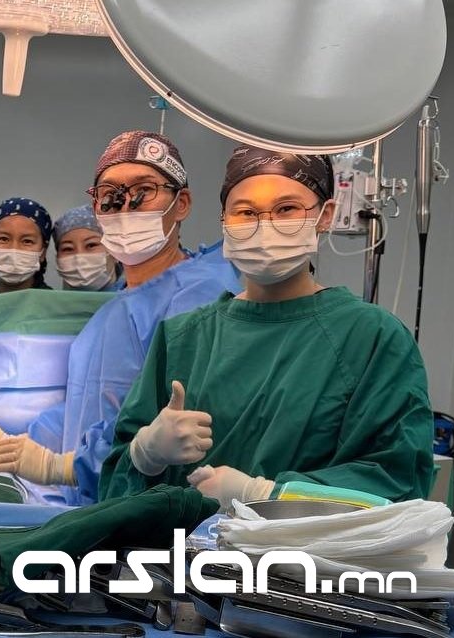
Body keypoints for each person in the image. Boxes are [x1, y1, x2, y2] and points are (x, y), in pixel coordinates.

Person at [98, 144, 434, 506]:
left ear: (325, 215)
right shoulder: (182, 338)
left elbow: (398, 481)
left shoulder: (372, 338)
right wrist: (145, 456)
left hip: (306, 546)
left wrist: (266, 495)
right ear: (224, 220)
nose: (264, 225)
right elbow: (114, 492)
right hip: (184, 544)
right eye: (245, 212)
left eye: (286, 209)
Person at [0, 131, 240, 504]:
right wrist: (25, 436)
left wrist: (66, 466)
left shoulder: (199, 295)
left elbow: (168, 425)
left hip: (151, 509)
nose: (125, 206)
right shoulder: (117, 305)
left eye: (144, 190)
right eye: (110, 194)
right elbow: (88, 405)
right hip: (96, 501)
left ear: (181, 204)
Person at [0, 197, 54, 295]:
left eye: (27, 241)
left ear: (43, 251)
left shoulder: (53, 303)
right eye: (4, 239)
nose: (14, 250)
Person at [53, 205, 121, 291]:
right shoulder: (46, 299)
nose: (79, 258)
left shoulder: (134, 298)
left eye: (91, 245)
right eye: (68, 249)